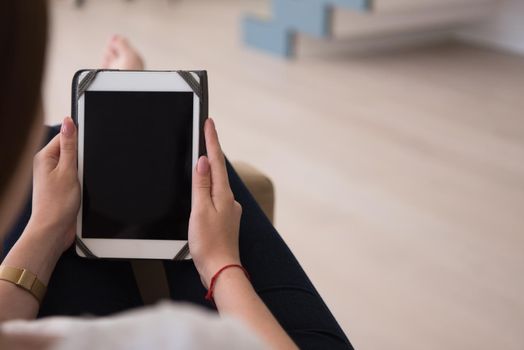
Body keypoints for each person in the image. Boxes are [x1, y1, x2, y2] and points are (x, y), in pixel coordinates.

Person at [0, 2, 353, 349]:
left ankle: (123, 109)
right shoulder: (186, 335)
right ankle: (131, 111)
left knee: (74, 155)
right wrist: (220, 264)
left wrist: (44, 231)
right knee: (191, 156)